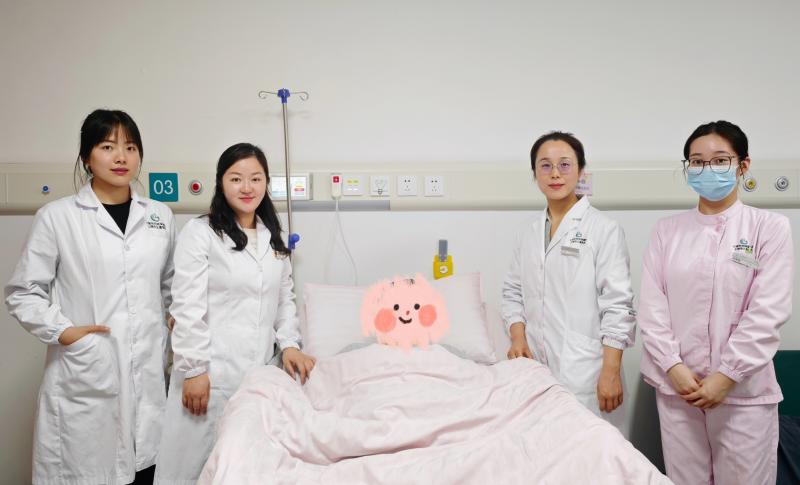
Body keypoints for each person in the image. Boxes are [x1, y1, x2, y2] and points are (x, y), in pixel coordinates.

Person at [5, 109, 176, 484]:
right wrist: (64, 331)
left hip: (148, 374)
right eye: (108, 146)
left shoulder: (159, 216)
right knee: (88, 470)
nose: (121, 157)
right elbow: (23, 292)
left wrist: (176, 321)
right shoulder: (57, 217)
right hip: (87, 372)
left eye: (130, 147)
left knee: (147, 468)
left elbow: (170, 286)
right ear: (86, 157)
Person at [637, 120, 793, 485]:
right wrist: (673, 367)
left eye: (720, 160)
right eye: (697, 161)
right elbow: (652, 307)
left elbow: (767, 310)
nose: (708, 169)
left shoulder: (769, 228)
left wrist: (726, 376)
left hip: (741, 391)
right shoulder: (667, 231)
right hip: (679, 389)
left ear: (743, 165)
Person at [155, 142, 316, 484]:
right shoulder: (201, 233)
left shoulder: (273, 237)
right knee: (192, 470)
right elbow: (186, 306)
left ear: (266, 183)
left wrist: (290, 344)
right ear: (221, 182)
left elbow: (283, 298)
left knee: (243, 470)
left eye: (256, 179)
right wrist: (194, 370)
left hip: (256, 376)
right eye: (236, 178)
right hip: (209, 374)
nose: (247, 188)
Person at [502, 131, 636, 433]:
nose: (555, 174)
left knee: (595, 456)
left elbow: (618, 306)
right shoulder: (527, 232)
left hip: (587, 373)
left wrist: (610, 371)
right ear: (534, 174)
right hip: (535, 372)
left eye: (564, 164)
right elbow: (512, 291)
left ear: (580, 171)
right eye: (545, 165)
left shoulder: (603, 229)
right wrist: (518, 338)